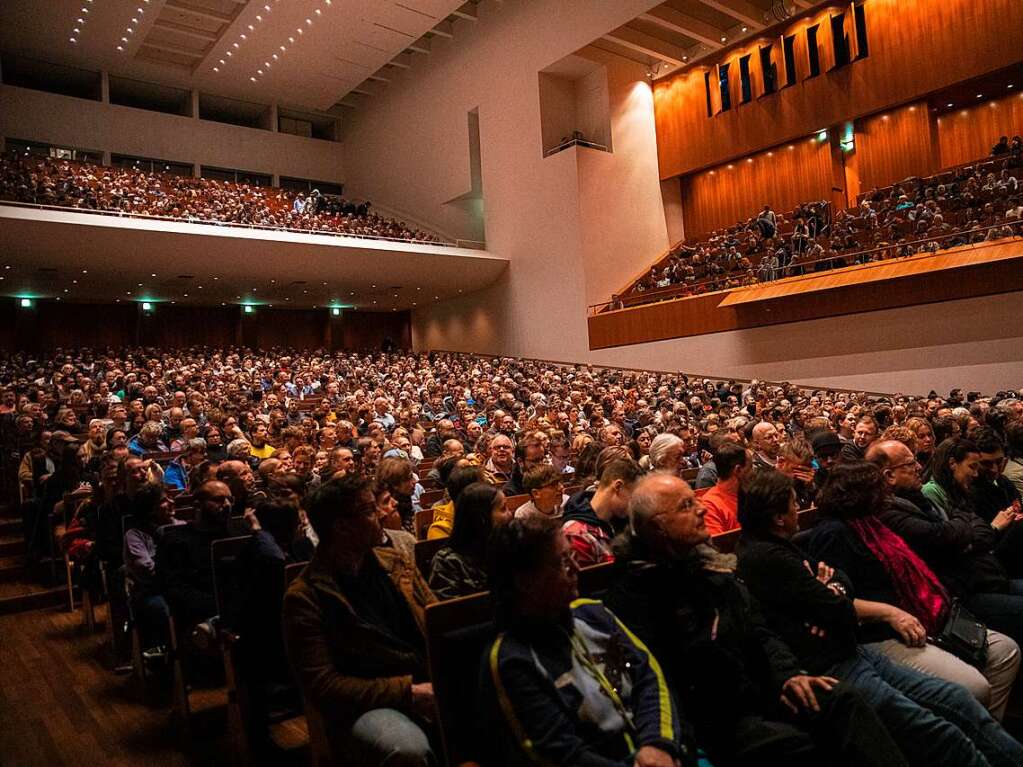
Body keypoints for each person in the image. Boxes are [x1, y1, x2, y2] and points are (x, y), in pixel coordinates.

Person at [604, 473, 908, 767]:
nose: (701, 509)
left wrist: (787, 675)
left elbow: (758, 629)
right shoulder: (636, 593)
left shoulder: (709, 566)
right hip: (716, 717)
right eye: (686, 506)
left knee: (841, 701)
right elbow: (665, 677)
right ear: (658, 527)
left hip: (760, 687)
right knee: (797, 746)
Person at [736, 469, 1023, 767]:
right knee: (941, 731)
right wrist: (833, 597)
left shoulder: (785, 543)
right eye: (794, 504)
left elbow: (841, 584)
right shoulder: (769, 554)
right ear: (778, 517)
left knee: (959, 701)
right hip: (839, 660)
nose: (799, 509)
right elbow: (837, 606)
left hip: (854, 648)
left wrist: (831, 592)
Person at [806, 462, 1021, 720]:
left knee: (1005, 651)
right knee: (974, 686)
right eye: (880, 490)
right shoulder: (832, 533)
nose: (887, 496)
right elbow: (835, 598)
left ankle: (985, 728)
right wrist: (891, 613)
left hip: (924, 610)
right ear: (861, 495)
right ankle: (974, 734)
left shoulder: (874, 522)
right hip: (880, 632)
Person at [482, 515, 697, 767]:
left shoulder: (593, 613)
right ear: (525, 581)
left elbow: (649, 676)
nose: (576, 568)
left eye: (573, 556)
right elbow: (558, 753)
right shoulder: (512, 659)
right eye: (563, 562)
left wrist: (658, 744)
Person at [282, 475, 437, 766]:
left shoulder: (395, 562)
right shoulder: (305, 597)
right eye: (368, 510)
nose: (381, 513)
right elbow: (324, 685)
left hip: (428, 676)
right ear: (341, 526)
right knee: (407, 751)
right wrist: (408, 692)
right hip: (368, 703)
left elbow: (435, 619)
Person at [428, 482, 510, 600]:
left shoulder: (507, 543)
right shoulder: (448, 562)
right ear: (482, 519)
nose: (510, 513)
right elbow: (450, 612)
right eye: (503, 509)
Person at [561, 458, 641, 567]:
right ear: (618, 487)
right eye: (634, 498)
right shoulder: (577, 534)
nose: (635, 506)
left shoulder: (618, 520)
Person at [700, 441, 749, 536]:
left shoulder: (750, 494)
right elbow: (719, 546)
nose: (754, 473)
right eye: (750, 467)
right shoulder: (710, 506)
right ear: (738, 470)